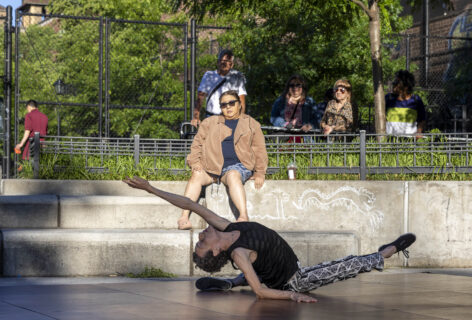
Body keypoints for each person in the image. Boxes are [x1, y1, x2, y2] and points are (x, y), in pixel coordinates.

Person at [123, 176, 417, 303]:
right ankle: (386, 252)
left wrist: (151, 189)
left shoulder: (223, 226)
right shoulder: (238, 253)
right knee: (343, 266)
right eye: (201, 243)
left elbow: (189, 204)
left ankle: (231, 283)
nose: (200, 235)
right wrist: (292, 295)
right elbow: (262, 294)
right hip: (293, 279)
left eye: (199, 239)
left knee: (251, 276)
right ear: (215, 251)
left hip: (271, 269)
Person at [177, 90, 268, 230]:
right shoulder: (210, 122)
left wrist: (260, 173)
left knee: (233, 175)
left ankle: (243, 216)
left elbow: (259, 149)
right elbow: (197, 144)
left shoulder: (251, 124)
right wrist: (195, 162)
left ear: (239, 104)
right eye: (223, 105)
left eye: (231, 103)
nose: (228, 107)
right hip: (211, 167)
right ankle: (184, 217)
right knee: (196, 176)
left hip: (238, 166)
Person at [192, 49, 247, 128]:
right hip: (212, 118)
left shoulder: (237, 77)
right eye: (222, 60)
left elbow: (242, 101)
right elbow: (200, 97)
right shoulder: (209, 76)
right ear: (218, 62)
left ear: (232, 64)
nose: (224, 63)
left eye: (227, 61)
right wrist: (196, 117)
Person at [386, 70, 426, 138]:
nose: (394, 84)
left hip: (409, 140)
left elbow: (422, 119)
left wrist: (419, 132)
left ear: (406, 86)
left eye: (397, 82)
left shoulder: (416, 100)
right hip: (390, 139)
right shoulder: (388, 98)